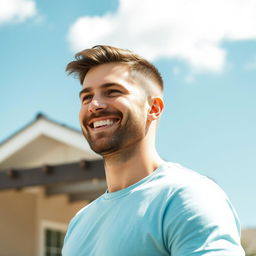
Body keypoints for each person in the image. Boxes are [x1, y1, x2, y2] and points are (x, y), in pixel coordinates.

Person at [62, 45, 244, 256]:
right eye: (86, 97)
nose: (94, 105)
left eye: (112, 92)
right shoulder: (79, 223)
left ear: (154, 108)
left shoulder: (185, 196)